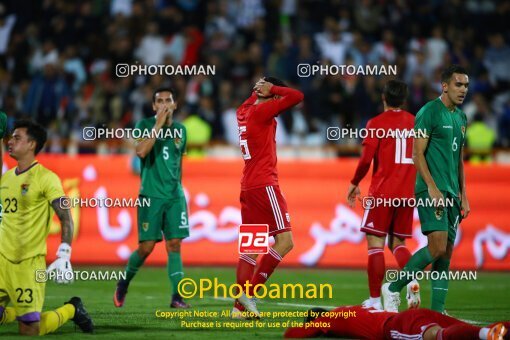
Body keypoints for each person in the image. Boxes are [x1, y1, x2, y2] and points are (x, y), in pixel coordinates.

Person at [382, 65, 470, 313]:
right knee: (437, 246)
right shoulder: (428, 112)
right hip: (432, 191)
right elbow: (416, 153)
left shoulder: (461, 118)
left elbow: (458, 159)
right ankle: (392, 287)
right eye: (458, 84)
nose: (463, 90)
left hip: (452, 194)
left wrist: (464, 195)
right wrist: (431, 187)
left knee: (446, 254)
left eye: (465, 86)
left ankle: (437, 311)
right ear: (444, 86)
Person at [0, 119, 93, 335]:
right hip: (2, 259)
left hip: (27, 264)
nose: (10, 141)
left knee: (30, 329)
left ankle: (72, 309)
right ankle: (19, 312)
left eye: (17, 138)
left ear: (32, 144)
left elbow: (66, 216)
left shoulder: (46, 178)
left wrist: (64, 253)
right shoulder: (5, 179)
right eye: (11, 137)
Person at [114, 88, 190, 309]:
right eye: (160, 101)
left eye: (169, 100)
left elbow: (178, 163)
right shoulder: (144, 126)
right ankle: (124, 282)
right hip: (151, 196)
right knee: (146, 248)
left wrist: (179, 189)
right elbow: (141, 152)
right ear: (154, 106)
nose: (165, 104)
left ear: (175, 105)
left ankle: (177, 296)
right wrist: (158, 124)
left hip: (174, 196)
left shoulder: (181, 130)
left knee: (174, 244)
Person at [346, 79, 419, 311]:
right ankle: (411, 279)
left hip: (382, 193)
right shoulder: (416, 123)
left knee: (375, 245)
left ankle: (376, 301)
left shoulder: (376, 123)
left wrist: (354, 182)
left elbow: (366, 159)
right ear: (404, 99)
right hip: (407, 194)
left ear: (383, 97)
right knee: (398, 243)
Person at [234, 77, 304, 317]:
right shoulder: (264, 111)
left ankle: (238, 308)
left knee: (250, 249)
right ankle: (249, 294)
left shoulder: (243, 111)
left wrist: (259, 88)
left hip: (248, 186)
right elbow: (296, 96)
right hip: (265, 185)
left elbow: (254, 99)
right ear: (271, 95)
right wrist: (272, 88)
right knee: (285, 242)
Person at [283, 305, 508, 339]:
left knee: (435, 336)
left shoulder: (329, 319)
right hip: (412, 313)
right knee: (456, 326)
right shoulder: (356, 308)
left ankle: (487, 336)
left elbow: (293, 334)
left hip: (394, 326)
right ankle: (502, 328)